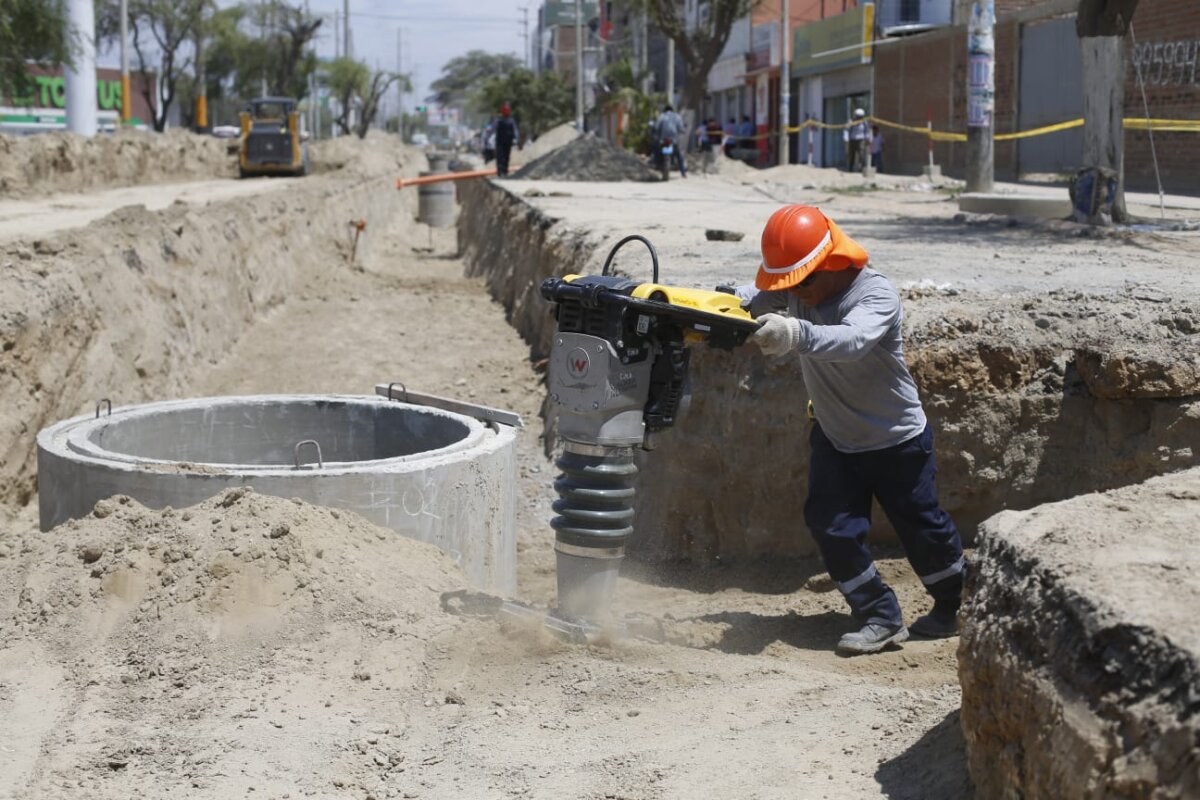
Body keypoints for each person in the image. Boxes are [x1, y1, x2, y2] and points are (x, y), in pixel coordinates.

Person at [736, 205, 966, 656]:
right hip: (836, 438)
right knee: (832, 527)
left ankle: (957, 606)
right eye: (788, 286)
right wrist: (699, 304)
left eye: (800, 283)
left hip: (896, 441)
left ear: (832, 262)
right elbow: (752, 298)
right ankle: (880, 615)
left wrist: (796, 333)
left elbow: (852, 341)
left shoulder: (875, 295)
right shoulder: (803, 289)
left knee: (924, 529)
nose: (795, 294)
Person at [654, 104, 687, 178]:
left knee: (656, 150)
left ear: (665, 110)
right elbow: (681, 128)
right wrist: (683, 130)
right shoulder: (677, 117)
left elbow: (656, 127)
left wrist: (656, 133)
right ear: (672, 110)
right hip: (673, 140)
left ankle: (656, 164)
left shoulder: (661, 116)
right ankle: (683, 172)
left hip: (663, 140)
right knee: (679, 156)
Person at [494, 103, 519, 177]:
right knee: (501, 157)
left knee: (505, 157)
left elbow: (515, 131)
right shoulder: (499, 121)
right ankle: (501, 172)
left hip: (507, 142)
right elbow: (493, 129)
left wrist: (516, 138)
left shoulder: (511, 121)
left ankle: (504, 171)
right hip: (501, 142)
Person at [847, 108, 868, 172]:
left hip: (861, 139)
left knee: (861, 154)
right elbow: (847, 130)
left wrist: (867, 138)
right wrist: (846, 138)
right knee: (851, 155)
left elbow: (866, 131)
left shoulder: (864, 122)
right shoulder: (851, 121)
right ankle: (850, 168)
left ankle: (862, 168)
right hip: (852, 139)